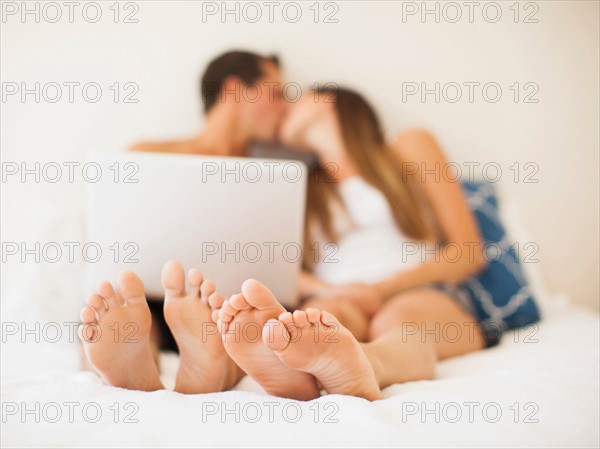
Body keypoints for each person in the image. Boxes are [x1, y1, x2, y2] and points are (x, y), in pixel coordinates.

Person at [79, 85, 491, 401]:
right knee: (314, 325)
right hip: (339, 293)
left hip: (420, 291)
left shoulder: (407, 146)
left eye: (294, 99)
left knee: (397, 325)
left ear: (327, 100)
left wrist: (377, 290)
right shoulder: (300, 185)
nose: (284, 109)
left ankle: (364, 366)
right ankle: (216, 372)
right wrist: (330, 291)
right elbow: (285, 268)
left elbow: (467, 252)